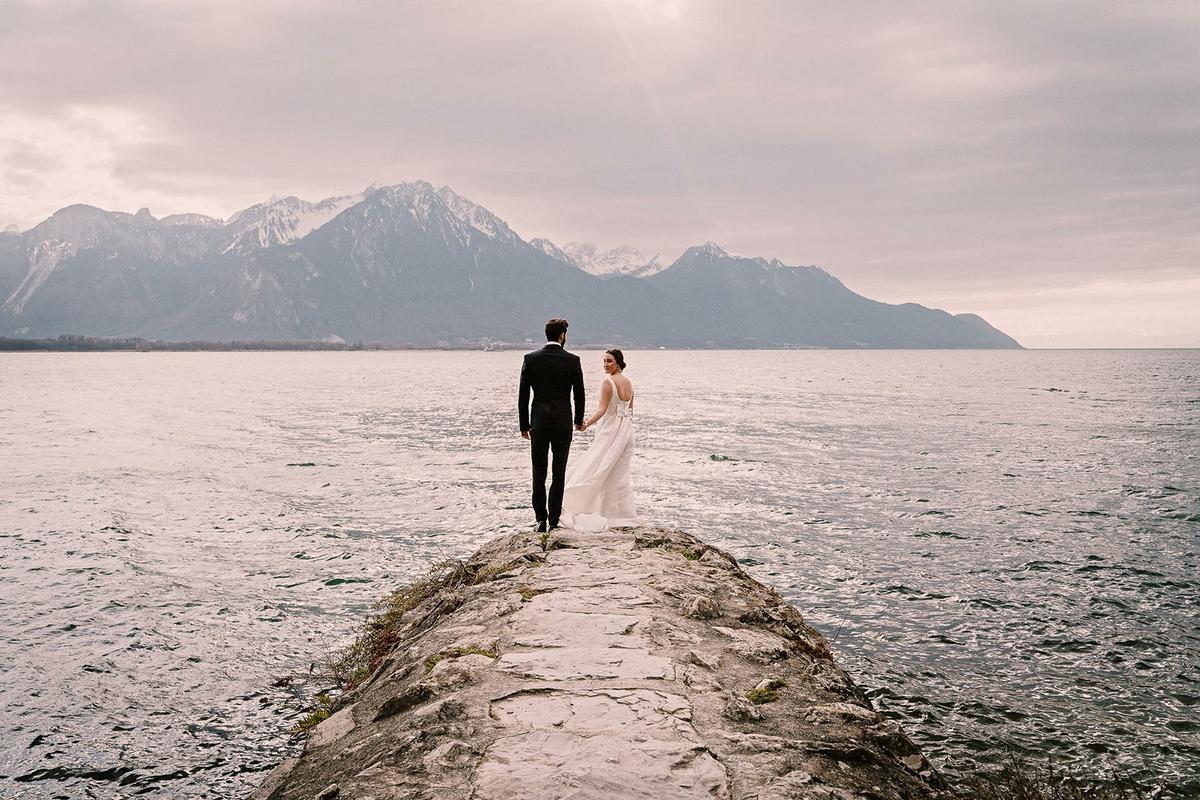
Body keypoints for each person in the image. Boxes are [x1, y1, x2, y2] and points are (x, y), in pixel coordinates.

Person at [518, 317, 585, 532]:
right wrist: (578, 420)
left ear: (547, 335)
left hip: (538, 422)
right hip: (563, 423)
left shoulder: (531, 359)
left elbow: (523, 396)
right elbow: (579, 395)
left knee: (538, 472)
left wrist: (524, 424)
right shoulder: (572, 360)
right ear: (562, 335)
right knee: (559, 472)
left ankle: (540, 520)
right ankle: (554, 519)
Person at [559, 349, 638, 531]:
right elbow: (631, 410)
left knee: (596, 466)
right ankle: (619, 513)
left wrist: (585, 424)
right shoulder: (629, 383)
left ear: (618, 363)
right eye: (604, 361)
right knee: (616, 473)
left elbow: (602, 410)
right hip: (625, 432)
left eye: (609, 361)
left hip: (609, 430)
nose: (605, 364)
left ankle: (578, 502)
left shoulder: (608, 382)